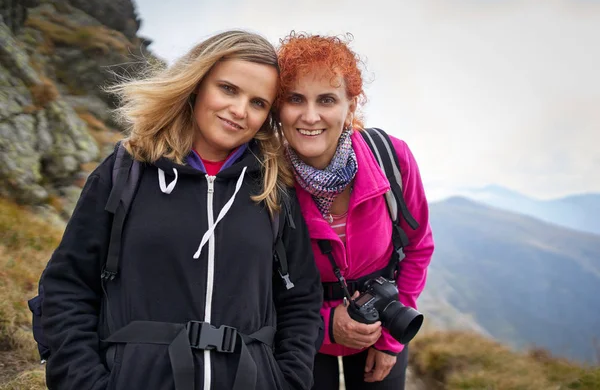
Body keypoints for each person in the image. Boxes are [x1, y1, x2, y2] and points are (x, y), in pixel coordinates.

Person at [41, 30, 323, 390]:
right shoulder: (127, 171)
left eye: (258, 103)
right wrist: (86, 383)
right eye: (228, 89)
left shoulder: (273, 189)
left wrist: (287, 382)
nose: (239, 111)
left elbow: (300, 302)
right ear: (197, 85)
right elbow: (66, 287)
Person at [275, 32, 435, 390]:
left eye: (327, 99)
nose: (310, 115)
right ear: (277, 107)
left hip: (381, 326)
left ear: (351, 105)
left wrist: (392, 341)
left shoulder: (391, 158)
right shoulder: (268, 180)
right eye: (295, 98)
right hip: (301, 334)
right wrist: (327, 323)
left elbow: (417, 246)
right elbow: (255, 283)